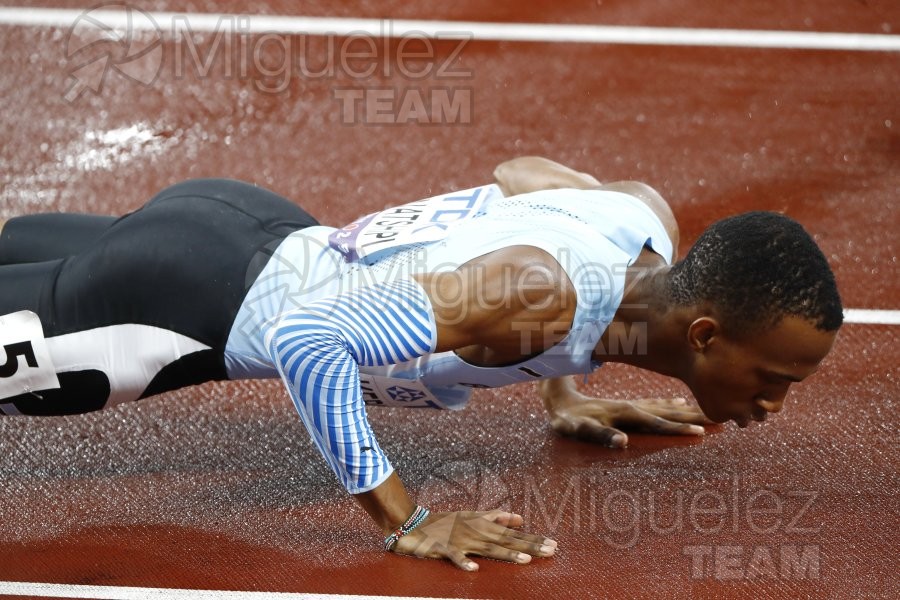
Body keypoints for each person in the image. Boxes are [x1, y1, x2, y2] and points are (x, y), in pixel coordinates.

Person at [0, 157, 842, 571]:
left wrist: (564, 391)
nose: (772, 406)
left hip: (241, 229)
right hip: (183, 308)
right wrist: (408, 521)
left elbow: (523, 177)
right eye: (774, 380)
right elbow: (307, 342)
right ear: (702, 333)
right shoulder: (541, 294)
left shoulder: (639, 220)